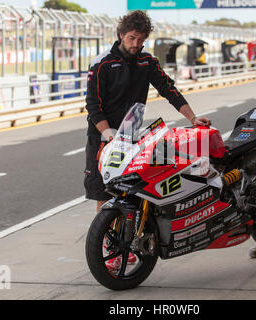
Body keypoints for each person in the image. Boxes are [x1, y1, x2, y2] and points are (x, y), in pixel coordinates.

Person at [84, 10, 211, 213]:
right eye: (132, 38)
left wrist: (193, 118)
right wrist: (109, 135)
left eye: (141, 39)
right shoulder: (102, 63)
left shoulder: (147, 61)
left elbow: (169, 90)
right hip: (102, 138)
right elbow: (93, 106)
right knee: (104, 193)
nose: (136, 44)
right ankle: (104, 241)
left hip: (132, 137)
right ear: (121, 35)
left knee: (135, 190)